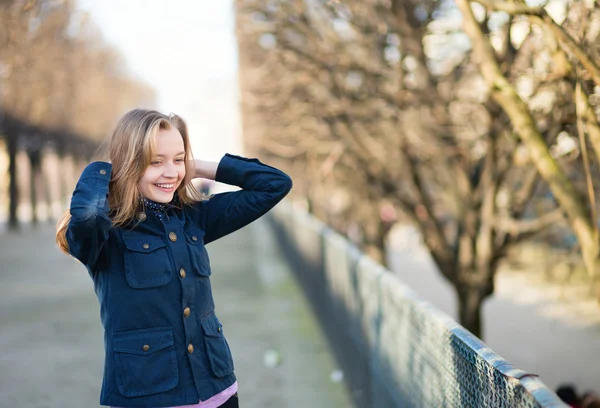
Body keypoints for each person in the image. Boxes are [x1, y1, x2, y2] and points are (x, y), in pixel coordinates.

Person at [55, 109, 293, 408]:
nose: (171, 172)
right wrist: (104, 170)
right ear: (129, 163)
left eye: (178, 159)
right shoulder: (105, 234)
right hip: (148, 396)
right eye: (156, 161)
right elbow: (88, 215)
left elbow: (275, 184)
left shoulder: (192, 217)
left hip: (217, 390)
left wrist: (194, 167)